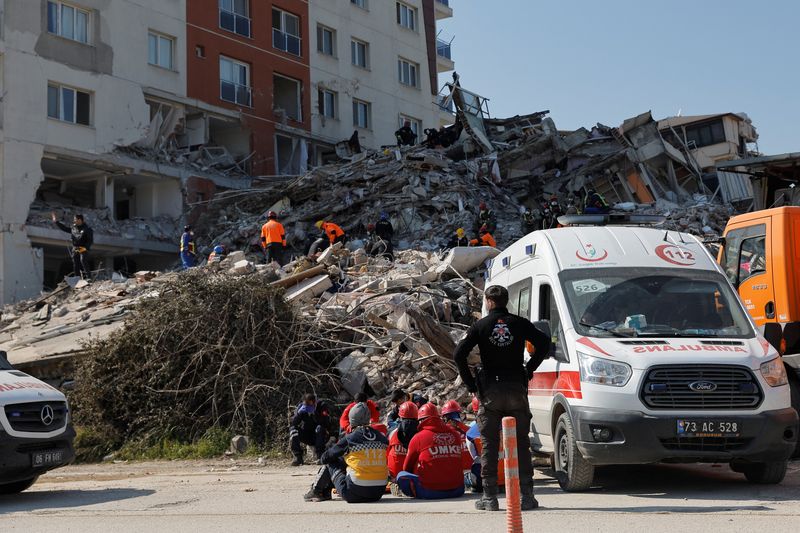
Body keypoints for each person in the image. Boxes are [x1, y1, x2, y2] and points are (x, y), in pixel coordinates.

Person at [453, 285, 550, 511]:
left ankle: (489, 498)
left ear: (488, 301)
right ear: (506, 301)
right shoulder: (519, 323)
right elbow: (544, 343)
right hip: (516, 387)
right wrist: (530, 368)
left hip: (490, 393)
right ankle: (526, 496)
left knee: (489, 446)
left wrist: (470, 384)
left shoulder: (480, 325)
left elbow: (458, 354)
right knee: (522, 444)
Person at [304, 402, 389, 503]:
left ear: (352, 419)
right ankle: (323, 491)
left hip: (353, 494)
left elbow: (325, 458)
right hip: (377, 493)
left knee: (331, 462)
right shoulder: (381, 437)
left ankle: (316, 491)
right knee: (350, 461)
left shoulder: (350, 438)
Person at [393, 403, 465, 499]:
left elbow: (406, 467)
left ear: (421, 420)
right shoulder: (456, 434)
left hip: (430, 492)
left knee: (401, 475)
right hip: (458, 490)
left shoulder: (418, 437)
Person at [289, 393, 331, 466]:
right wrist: (298, 414)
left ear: (314, 402)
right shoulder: (302, 407)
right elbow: (293, 423)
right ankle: (298, 457)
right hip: (307, 435)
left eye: (310, 404)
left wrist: (314, 413)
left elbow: (326, 423)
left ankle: (320, 456)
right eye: (306, 404)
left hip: (320, 436)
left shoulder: (322, 406)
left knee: (319, 428)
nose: (308, 406)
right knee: (293, 430)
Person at [51, 212, 94, 279]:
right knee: (76, 263)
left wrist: (85, 248)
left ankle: (89, 278)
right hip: (75, 248)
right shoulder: (74, 228)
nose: (74, 221)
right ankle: (77, 278)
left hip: (83, 248)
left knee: (83, 260)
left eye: (75, 219)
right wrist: (56, 222)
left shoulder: (87, 229)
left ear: (79, 220)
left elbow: (90, 240)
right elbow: (65, 228)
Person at [386, 401, 419, 480]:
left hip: (395, 477)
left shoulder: (392, 432)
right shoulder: (421, 433)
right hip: (415, 477)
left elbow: (385, 454)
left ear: (400, 416)